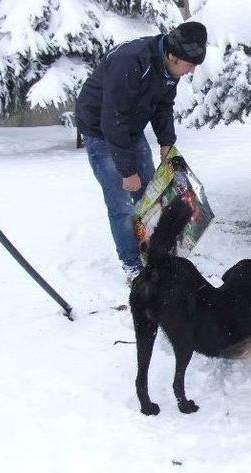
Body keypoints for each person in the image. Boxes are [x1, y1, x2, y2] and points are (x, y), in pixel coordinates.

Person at [75, 21, 207, 279]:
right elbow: (112, 119)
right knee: (123, 203)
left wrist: (166, 141)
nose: (191, 71)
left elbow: (163, 106)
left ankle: (154, 253)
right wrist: (126, 170)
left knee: (149, 196)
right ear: (171, 55)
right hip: (101, 131)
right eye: (189, 65)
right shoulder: (131, 62)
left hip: (130, 128)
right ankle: (132, 265)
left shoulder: (170, 69)